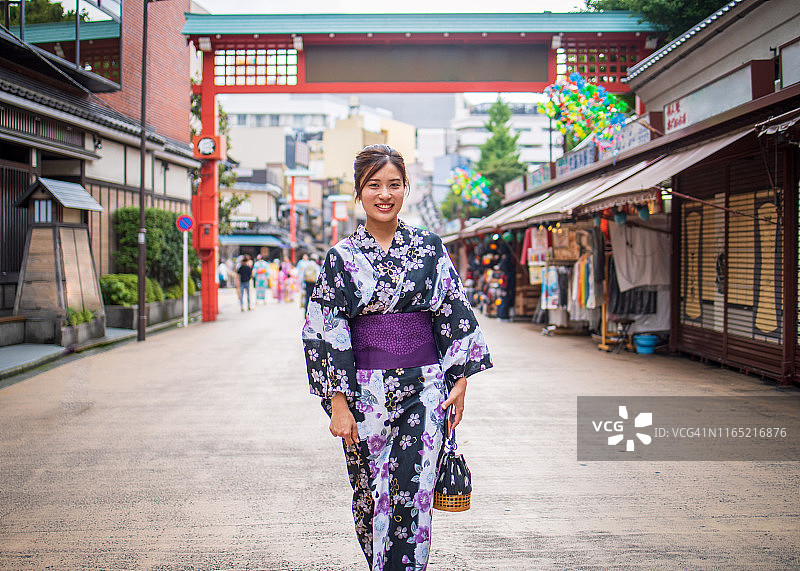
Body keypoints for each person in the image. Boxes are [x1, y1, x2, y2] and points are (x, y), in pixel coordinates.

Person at [301, 144, 492, 570]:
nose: (384, 194)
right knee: (370, 495)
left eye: (394, 184)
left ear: (406, 188)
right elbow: (324, 331)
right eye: (374, 185)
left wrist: (460, 379)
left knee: (413, 493)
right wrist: (337, 403)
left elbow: (452, 309)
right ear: (359, 191)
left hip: (425, 388)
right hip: (362, 392)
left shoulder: (430, 247)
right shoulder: (341, 258)